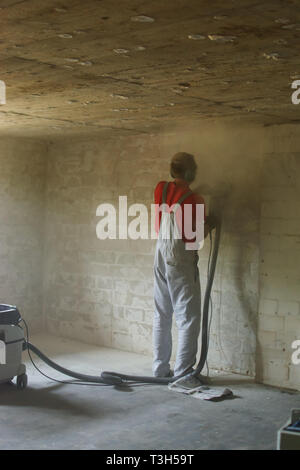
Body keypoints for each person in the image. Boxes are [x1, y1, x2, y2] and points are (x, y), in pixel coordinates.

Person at [153, 152, 213, 387]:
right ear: (192, 172)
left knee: (162, 312)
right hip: (180, 257)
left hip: (159, 252)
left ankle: (160, 369)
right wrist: (210, 223)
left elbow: (176, 198)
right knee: (188, 318)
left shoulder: (161, 188)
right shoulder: (195, 199)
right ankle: (184, 375)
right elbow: (195, 239)